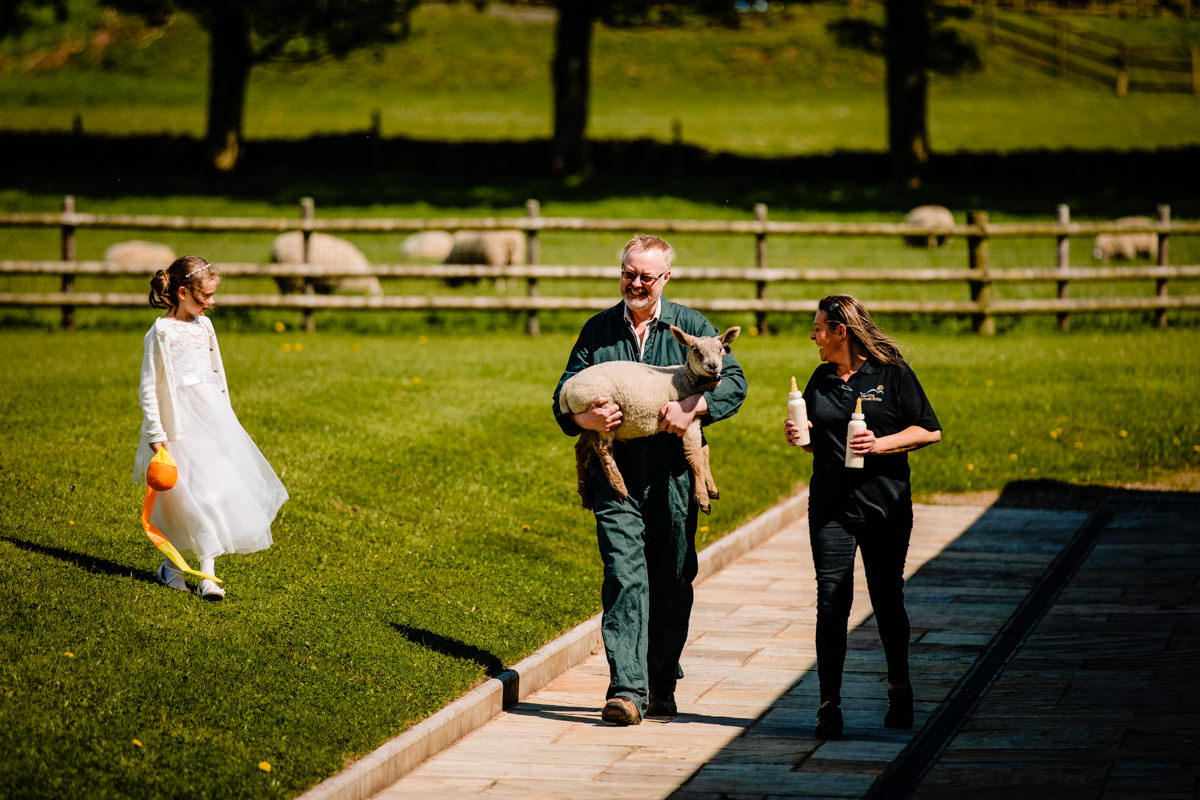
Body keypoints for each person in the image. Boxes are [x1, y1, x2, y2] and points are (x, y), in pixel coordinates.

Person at [553, 235, 748, 726]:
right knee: (624, 573)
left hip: (671, 474)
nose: (635, 283)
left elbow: (736, 382)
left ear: (665, 278)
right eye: (628, 273)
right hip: (615, 471)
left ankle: (661, 682)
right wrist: (584, 422)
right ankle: (626, 690)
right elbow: (563, 393)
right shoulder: (598, 331)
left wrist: (694, 406)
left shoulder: (693, 327)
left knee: (673, 577)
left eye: (646, 275)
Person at [784, 294, 940, 740]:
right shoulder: (820, 378)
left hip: (884, 505)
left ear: (841, 332)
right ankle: (829, 704)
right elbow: (820, 440)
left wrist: (881, 444)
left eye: (819, 328)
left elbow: (930, 429)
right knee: (832, 601)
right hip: (831, 505)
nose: (813, 335)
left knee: (887, 598)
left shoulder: (891, 373)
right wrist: (801, 435)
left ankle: (899, 687)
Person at [133, 256, 288, 601]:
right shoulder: (160, 332)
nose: (212, 303)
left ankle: (208, 575)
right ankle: (172, 568)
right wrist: (157, 433)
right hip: (179, 427)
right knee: (184, 500)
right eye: (206, 297)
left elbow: (217, 375)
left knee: (214, 492)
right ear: (183, 292)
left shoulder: (204, 327)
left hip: (211, 418)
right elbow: (148, 385)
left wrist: (228, 419)